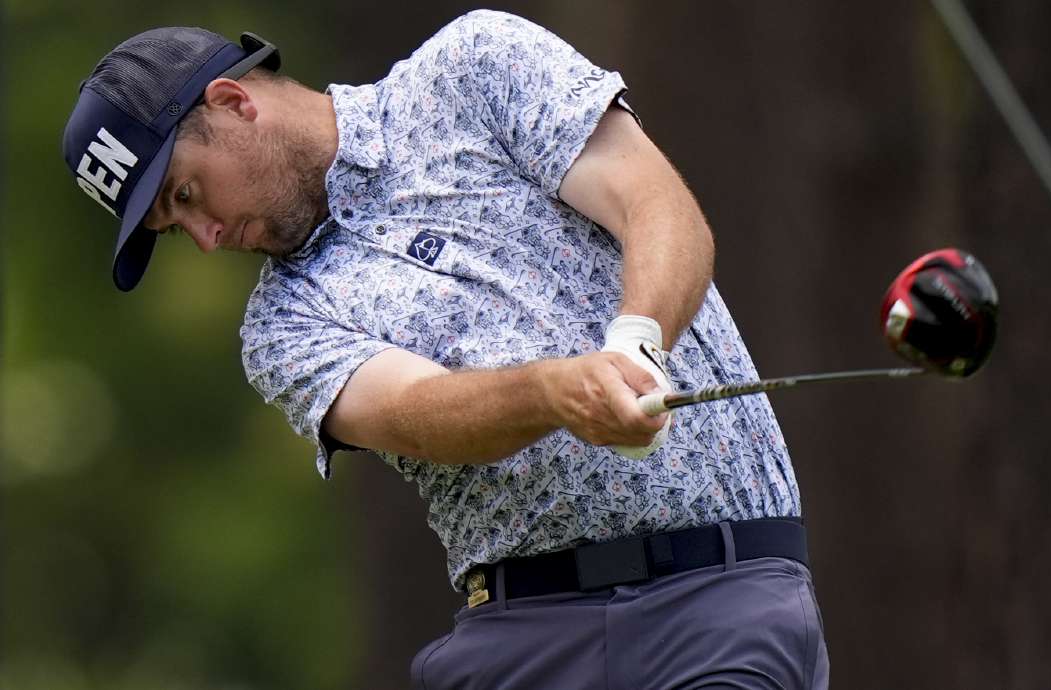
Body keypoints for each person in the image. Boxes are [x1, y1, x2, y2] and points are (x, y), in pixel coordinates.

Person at [63, 10, 829, 689]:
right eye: (175, 230)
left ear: (233, 104)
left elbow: (654, 204)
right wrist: (552, 392)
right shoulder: (281, 324)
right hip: (518, 640)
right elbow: (416, 412)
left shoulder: (472, 66)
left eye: (188, 196)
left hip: (716, 599)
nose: (204, 239)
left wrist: (637, 341)